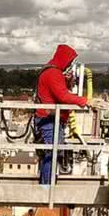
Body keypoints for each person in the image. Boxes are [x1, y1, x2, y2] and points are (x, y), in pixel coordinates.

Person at [35, 44, 89, 184]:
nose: (70, 65)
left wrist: (67, 81)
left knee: (51, 153)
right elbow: (63, 96)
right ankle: (47, 188)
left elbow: (57, 92)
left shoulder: (51, 71)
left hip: (49, 119)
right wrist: (85, 101)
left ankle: (47, 185)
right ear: (64, 60)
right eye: (70, 61)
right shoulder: (54, 73)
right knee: (51, 154)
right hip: (49, 120)